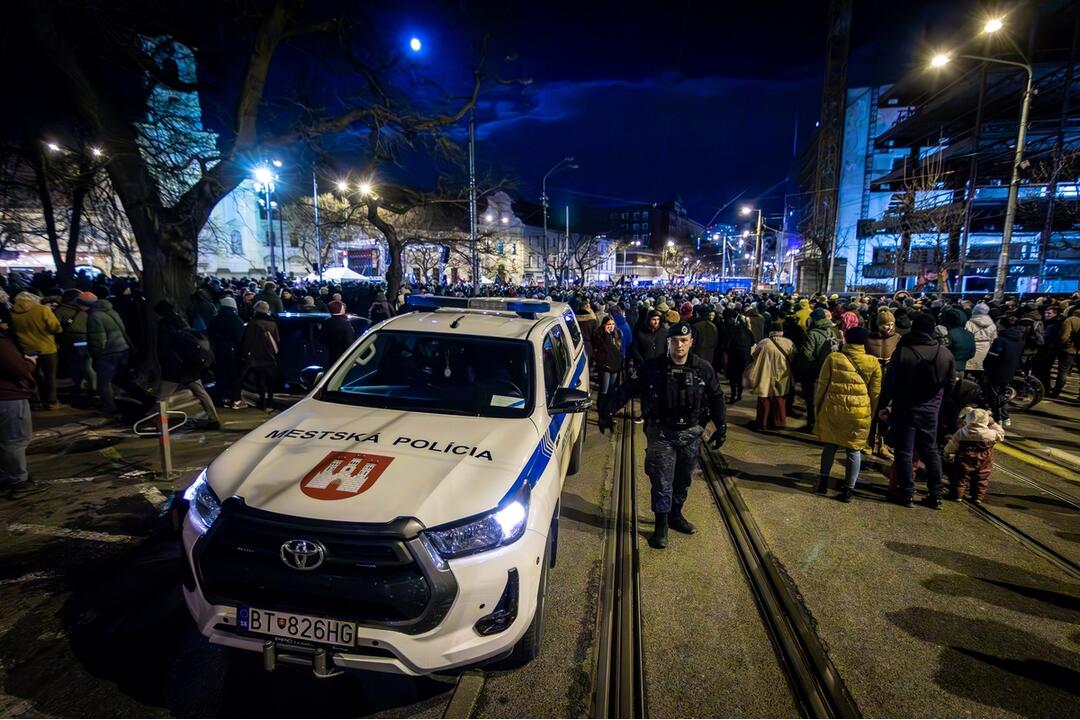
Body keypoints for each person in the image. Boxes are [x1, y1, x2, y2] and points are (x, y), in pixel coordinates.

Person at [605, 322, 726, 549]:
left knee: (683, 478)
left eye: (683, 340)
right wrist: (607, 409)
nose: (679, 345)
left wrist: (721, 426)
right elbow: (628, 388)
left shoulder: (703, 368)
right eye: (674, 341)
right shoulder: (653, 367)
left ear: (691, 342)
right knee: (661, 479)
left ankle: (675, 515)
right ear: (668, 342)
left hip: (690, 434)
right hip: (661, 432)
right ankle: (661, 523)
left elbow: (716, 396)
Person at [877, 312, 955, 509]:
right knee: (930, 450)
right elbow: (951, 385)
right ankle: (936, 494)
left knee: (904, 451)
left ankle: (906, 493)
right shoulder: (944, 353)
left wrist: (882, 405)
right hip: (930, 409)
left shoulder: (903, 351)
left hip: (905, 407)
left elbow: (890, 383)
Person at [813, 326, 882, 502]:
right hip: (859, 411)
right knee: (854, 449)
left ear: (847, 340)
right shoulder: (873, 362)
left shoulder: (834, 358)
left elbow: (822, 386)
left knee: (830, 445)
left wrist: (818, 408)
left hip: (833, 409)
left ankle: (822, 483)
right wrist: (871, 413)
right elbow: (875, 393)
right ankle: (848, 490)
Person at [155, 300, 221, 430]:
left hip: (173, 367)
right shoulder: (181, 321)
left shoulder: (164, 326)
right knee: (201, 393)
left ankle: (161, 424)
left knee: (162, 398)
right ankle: (214, 418)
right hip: (191, 365)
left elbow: (164, 348)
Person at [0, 299, 42, 499]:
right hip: (8, 396)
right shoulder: (2, 343)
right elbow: (17, 369)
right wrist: (30, 363)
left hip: (6, 395)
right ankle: (19, 481)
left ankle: (8, 476)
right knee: (15, 440)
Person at [10, 291, 63, 409]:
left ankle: (35, 401)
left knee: (32, 376)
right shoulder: (42, 309)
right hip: (47, 347)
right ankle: (51, 402)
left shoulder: (12, 312)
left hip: (27, 348)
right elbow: (56, 328)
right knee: (50, 376)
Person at [86, 295, 136, 416]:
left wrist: (96, 353)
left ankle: (109, 406)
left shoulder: (95, 316)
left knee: (103, 382)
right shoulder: (112, 312)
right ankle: (121, 401)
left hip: (109, 352)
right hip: (123, 349)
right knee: (119, 379)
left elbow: (98, 339)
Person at [944, 406, 1005, 504]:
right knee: (981, 478)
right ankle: (977, 497)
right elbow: (1001, 434)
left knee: (960, 477)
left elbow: (952, 445)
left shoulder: (962, 432)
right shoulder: (990, 434)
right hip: (984, 461)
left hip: (964, 459)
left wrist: (947, 453)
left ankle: (957, 495)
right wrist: (993, 423)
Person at [744, 320, 794, 431]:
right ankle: (779, 422)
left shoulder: (764, 342)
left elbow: (754, 354)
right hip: (782, 373)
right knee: (780, 398)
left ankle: (762, 422)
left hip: (765, 373)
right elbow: (793, 357)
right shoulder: (788, 343)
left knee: (764, 398)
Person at [795, 307, 837, 432]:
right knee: (823, 400)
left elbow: (806, 355)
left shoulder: (812, 334)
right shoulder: (831, 332)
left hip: (812, 373)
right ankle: (822, 424)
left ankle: (812, 424)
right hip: (828, 371)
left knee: (811, 400)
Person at [55, 290, 96, 402]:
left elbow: (56, 327)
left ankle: (79, 387)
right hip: (83, 340)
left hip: (67, 342)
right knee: (87, 364)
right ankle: (93, 388)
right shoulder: (84, 310)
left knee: (74, 365)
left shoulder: (60, 310)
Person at [982, 316, 1024, 427]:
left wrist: (986, 366)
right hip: (1009, 372)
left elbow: (992, 357)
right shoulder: (1018, 340)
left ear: (1002, 326)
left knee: (994, 396)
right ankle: (1003, 418)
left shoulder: (1000, 340)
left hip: (996, 372)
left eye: (998, 324)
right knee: (1000, 395)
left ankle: (1000, 418)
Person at [240, 300, 281, 411]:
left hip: (257, 355)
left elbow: (247, 341)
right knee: (270, 381)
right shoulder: (273, 322)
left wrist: (244, 354)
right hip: (270, 355)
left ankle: (263, 402)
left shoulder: (253, 323)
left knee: (260, 380)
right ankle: (270, 402)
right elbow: (277, 339)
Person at [208, 296, 246, 409]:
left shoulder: (214, 320)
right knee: (235, 377)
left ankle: (222, 399)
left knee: (221, 376)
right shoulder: (236, 320)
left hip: (218, 352)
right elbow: (240, 338)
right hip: (233, 353)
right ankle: (236, 400)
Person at [593, 315, 624, 429]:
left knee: (611, 391)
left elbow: (619, 349)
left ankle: (608, 415)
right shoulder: (599, 335)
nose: (611, 327)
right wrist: (606, 334)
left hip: (615, 366)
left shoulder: (618, 334)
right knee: (604, 391)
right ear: (604, 325)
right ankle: (602, 416)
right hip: (605, 366)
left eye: (612, 324)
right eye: (608, 324)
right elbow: (605, 348)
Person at [1049, 303, 1080, 399]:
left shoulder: (1070, 320)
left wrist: (1059, 347)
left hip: (1069, 350)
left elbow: (1064, 336)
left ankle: (1056, 392)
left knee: (1063, 372)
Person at [964, 302, 996, 382]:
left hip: (971, 352)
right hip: (985, 352)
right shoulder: (992, 325)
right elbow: (994, 340)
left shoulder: (969, 323)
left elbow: (966, 337)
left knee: (967, 377)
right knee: (980, 377)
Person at [940, 306, 975, 374]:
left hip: (947, 368)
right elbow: (972, 353)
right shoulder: (970, 334)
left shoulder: (947, 334)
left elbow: (942, 352)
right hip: (962, 368)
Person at [320, 300, 355, 365]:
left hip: (330, 354)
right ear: (339, 309)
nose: (344, 308)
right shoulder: (345, 323)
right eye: (342, 307)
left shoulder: (326, 322)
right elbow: (348, 341)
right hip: (342, 355)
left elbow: (322, 338)